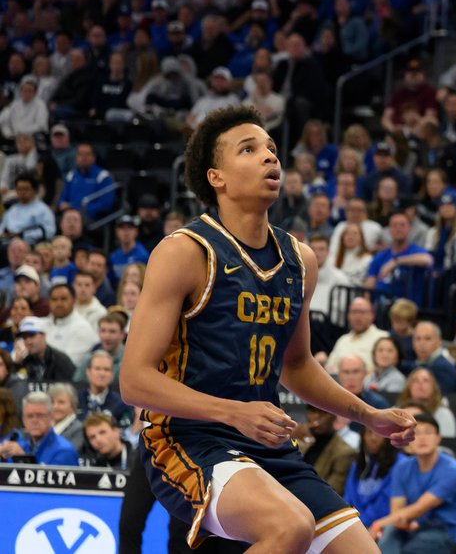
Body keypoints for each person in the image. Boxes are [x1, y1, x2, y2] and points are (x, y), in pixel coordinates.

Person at [120, 105, 415, 551]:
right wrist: (233, 411)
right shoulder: (184, 252)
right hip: (186, 438)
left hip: (265, 442)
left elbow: (296, 366)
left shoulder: (300, 260)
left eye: (272, 148)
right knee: (289, 526)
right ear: (216, 177)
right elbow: (133, 381)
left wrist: (368, 415)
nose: (269, 156)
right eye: (249, 149)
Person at [371, 413, 456, 552]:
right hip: (412, 526)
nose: (422, 438)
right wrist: (401, 522)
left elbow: (420, 507)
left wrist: (378, 524)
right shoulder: (402, 468)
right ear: (409, 440)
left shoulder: (452, 470)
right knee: (387, 536)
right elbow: (396, 512)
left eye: (428, 432)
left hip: (446, 531)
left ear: (438, 438)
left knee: (409, 549)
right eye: (416, 433)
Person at [0, 390, 80, 464]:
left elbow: (47, 475)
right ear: (23, 419)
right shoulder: (19, 445)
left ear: (51, 417)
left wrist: (22, 458)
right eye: (30, 416)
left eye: (40, 416)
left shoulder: (64, 451)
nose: (34, 421)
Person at [345, 429, 399, 529]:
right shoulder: (357, 464)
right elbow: (348, 497)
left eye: (379, 433)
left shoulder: (400, 464)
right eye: (369, 432)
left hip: (381, 526)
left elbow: (385, 503)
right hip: (352, 523)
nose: (373, 438)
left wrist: (359, 525)